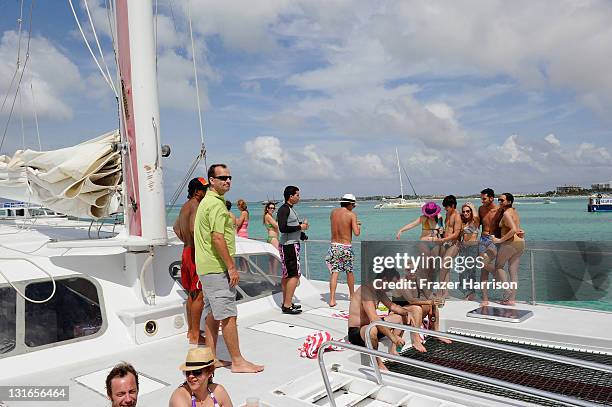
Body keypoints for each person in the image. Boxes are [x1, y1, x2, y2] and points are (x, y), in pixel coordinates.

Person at [194, 163, 263, 373]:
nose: (228, 181)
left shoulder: (208, 202)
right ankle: (238, 361)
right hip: (216, 268)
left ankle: (211, 358)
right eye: (223, 178)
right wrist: (231, 267)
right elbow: (217, 238)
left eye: (229, 177)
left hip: (207, 266)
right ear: (212, 181)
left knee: (213, 313)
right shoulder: (215, 205)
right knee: (228, 314)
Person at [347, 268, 419, 370]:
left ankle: (393, 350)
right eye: (391, 284)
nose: (391, 288)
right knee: (372, 329)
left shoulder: (378, 290)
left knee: (400, 317)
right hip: (357, 332)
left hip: (372, 327)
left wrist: (406, 312)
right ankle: (377, 362)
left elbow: (393, 306)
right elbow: (374, 319)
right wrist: (393, 338)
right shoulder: (366, 291)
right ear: (384, 280)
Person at [173, 177, 208, 345]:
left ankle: (190, 331)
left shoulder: (184, 206)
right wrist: (203, 244)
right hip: (194, 252)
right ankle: (195, 335)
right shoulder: (196, 205)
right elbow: (194, 228)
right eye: (204, 189)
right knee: (199, 294)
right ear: (196, 191)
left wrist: (186, 240)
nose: (206, 192)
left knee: (191, 294)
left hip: (186, 251)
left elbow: (175, 228)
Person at [395, 201, 443, 297]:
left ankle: (429, 289)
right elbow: (412, 224)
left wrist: (439, 234)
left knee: (433, 267)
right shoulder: (423, 218)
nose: (430, 216)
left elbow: (441, 232)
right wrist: (401, 230)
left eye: (432, 214)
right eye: (429, 214)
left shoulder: (439, 218)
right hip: (424, 242)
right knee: (425, 266)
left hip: (435, 242)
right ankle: (423, 289)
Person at [277, 186, 309, 314]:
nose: (299, 197)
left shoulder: (289, 209)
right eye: (297, 195)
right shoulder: (284, 209)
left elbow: (291, 226)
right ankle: (287, 305)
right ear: (291, 196)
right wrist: (300, 226)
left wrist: (302, 233)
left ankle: (286, 302)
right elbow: (283, 228)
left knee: (287, 275)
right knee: (294, 275)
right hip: (289, 246)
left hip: (290, 244)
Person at [325, 193, 361, 307]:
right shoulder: (351, 215)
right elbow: (356, 233)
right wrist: (357, 225)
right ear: (350, 204)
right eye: (354, 205)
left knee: (335, 273)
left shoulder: (333, 213)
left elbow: (340, 225)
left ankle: (331, 299)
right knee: (349, 272)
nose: (354, 207)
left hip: (334, 246)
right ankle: (352, 295)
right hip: (346, 247)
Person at [492, 193, 525, 305]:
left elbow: (513, 229)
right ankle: (511, 299)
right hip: (520, 243)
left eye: (502, 200)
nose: (500, 202)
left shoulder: (506, 213)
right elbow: (518, 228)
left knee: (498, 266)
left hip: (510, 243)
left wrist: (500, 240)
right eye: (499, 200)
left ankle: (507, 290)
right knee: (513, 271)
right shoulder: (514, 212)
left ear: (509, 202)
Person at [478, 188, 504, 305]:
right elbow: (475, 224)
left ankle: (499, 279)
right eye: (481, 198)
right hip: (483, 239)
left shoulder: (500, 210)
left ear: (491, 198)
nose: (482, 201)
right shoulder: (481, 209)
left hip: (494, 240)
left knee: (484, 263)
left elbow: (508, 224)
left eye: (484, 199)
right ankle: (485, 299)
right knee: (483, 269)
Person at [436, 195, 462, 298]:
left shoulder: (457, 216)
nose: (445, 209)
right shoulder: (447, 214)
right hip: (446, 243)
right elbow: (446, 228)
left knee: (443, 266)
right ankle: (446, 293)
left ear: (453, 205)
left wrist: (444, 239)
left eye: (447, 207)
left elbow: (456, 234)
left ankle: (439, 290)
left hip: (454, 244)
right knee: (445, 268)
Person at [458, 202, 480, 301]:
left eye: (468, 211)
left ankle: (471, 294)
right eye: (464, 211)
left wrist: (472, 206)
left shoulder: (475, 222)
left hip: (473, 249)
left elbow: (475, 216)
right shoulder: (463, 223)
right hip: (463, 249)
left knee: (471, 272)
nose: (466, 213)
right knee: (462, 272)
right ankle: (466, 292)